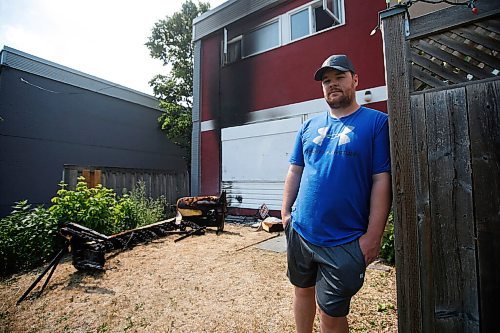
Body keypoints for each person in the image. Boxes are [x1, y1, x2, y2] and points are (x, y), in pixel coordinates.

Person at [281, 54, 392, 333]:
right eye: (326, 81)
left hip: (345, 239)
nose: (332, 85)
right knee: (302, 292)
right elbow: (295, 170)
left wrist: (373, 236)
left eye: (339, 77)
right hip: (302, 232)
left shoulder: (377, 123)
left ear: (355, 80)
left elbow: (381, 180)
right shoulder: (308, 126)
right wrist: (285, 214)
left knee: (331, 314)